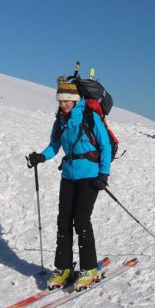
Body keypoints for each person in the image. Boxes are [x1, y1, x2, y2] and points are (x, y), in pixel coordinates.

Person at [27, 76, 111, 291]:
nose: (62, 104)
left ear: (76, 99)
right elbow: (54, 146)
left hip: (90, 175)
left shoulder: (90, 117)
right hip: (69, 175)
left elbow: (105, 146)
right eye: (60, 100)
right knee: (63, 221)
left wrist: (103, 174)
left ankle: (89, 268)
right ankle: (63, 268)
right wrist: (41, 157)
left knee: (81, 220)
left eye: (66, 100)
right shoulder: (61, 121)